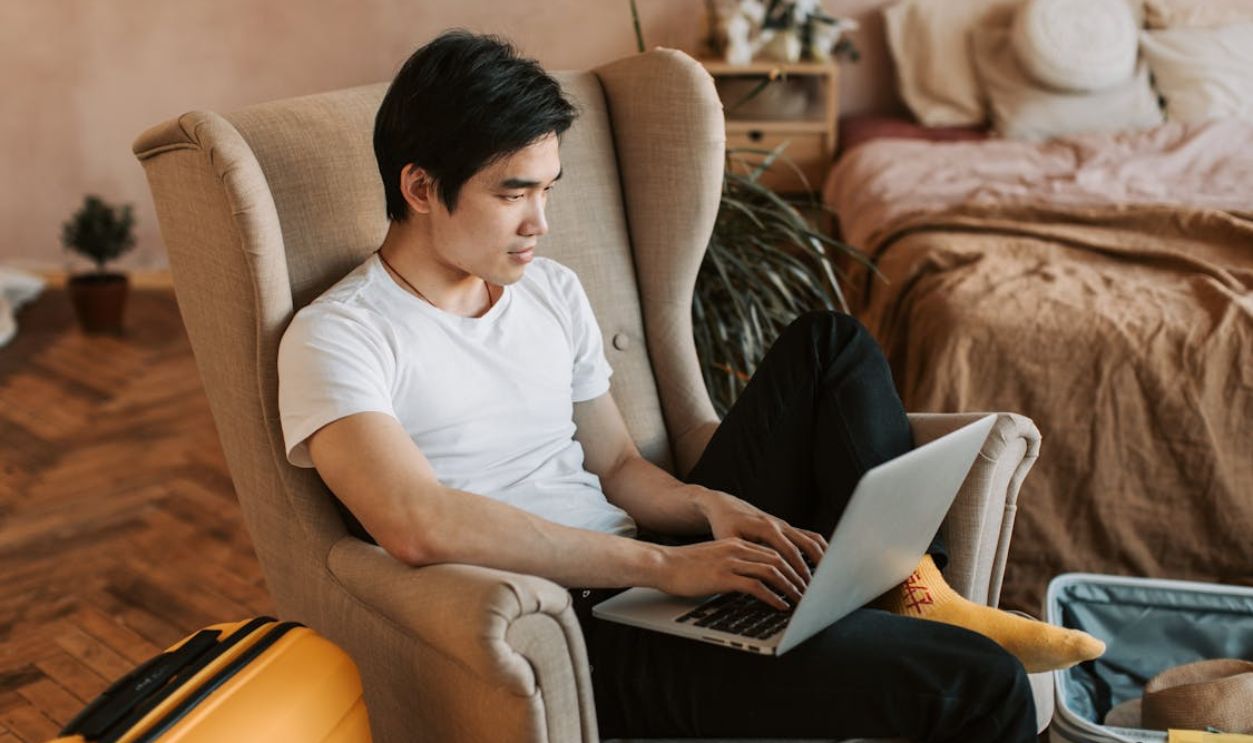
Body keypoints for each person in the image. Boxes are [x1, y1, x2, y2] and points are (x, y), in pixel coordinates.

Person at [277, 30, 1104, 742]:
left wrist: (708, 510)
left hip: (645, 564)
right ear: (420, 187)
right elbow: (417, 523)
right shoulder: (342, 333)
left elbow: (617, 469)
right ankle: (877, 615)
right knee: (979, 679)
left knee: (829, 343)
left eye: (548, 189)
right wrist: (665, 570)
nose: (541, 222)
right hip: (575, 626)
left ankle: (909, 590)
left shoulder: (550, 290)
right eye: (513, 193)